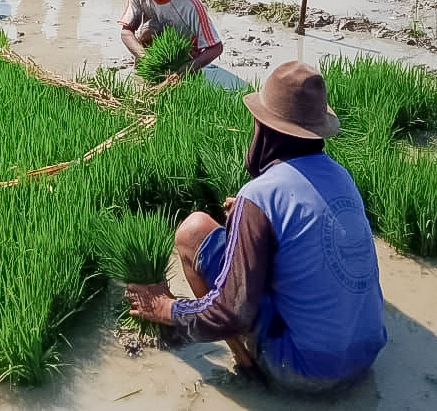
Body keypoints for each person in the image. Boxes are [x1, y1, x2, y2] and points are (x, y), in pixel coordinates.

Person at [126, 60, 387, 395]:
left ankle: (245, 361)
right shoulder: (341, 176)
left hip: (301, 371)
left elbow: (231, 313)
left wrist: (167, 309)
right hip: (366, 357)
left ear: (265, 129)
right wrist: (251, 216)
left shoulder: (261, 196)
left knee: (193, 231)